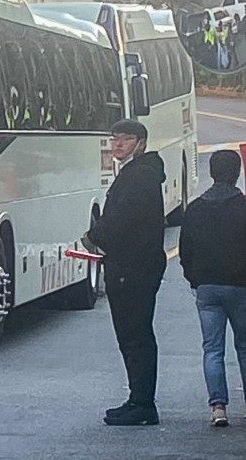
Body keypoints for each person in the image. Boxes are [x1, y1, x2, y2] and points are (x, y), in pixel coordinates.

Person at [82, 119, 166, 426]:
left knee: (135, 337)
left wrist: (95, 236)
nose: (117, 145)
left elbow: (123, 218)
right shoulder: (139, 173)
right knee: (133, 336)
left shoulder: (140, 175)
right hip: (133, 266)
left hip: (132, 268)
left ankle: (142, 403)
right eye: (114, 140)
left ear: (141, 143)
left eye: (125, 140)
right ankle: (137, 399)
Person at [180, 149, 246, 427]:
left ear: (211, 173)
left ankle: (218, 406)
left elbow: (185, 251)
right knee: (244, 346)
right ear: (238, 173)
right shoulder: (243, 207)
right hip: (241, 285)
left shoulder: (195, 208)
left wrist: (195, 278)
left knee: (212, 348)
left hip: (207, 286)